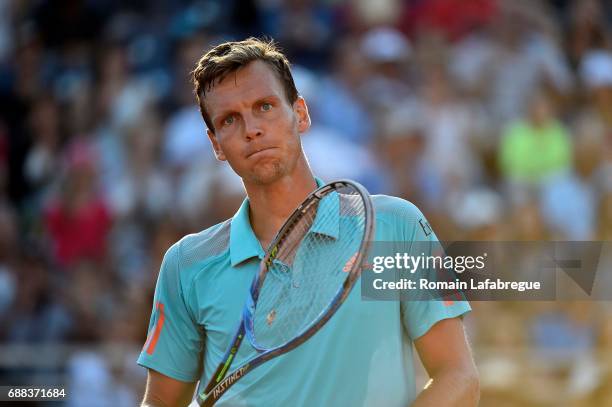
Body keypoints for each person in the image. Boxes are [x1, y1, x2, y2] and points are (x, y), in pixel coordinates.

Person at [138, 38, 479, 407]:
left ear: (300, 113)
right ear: (216, 144)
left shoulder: (397, 226)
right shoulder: (186, 264)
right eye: (229, 120)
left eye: (264, 106)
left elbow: (458, 377)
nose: (251, 129)